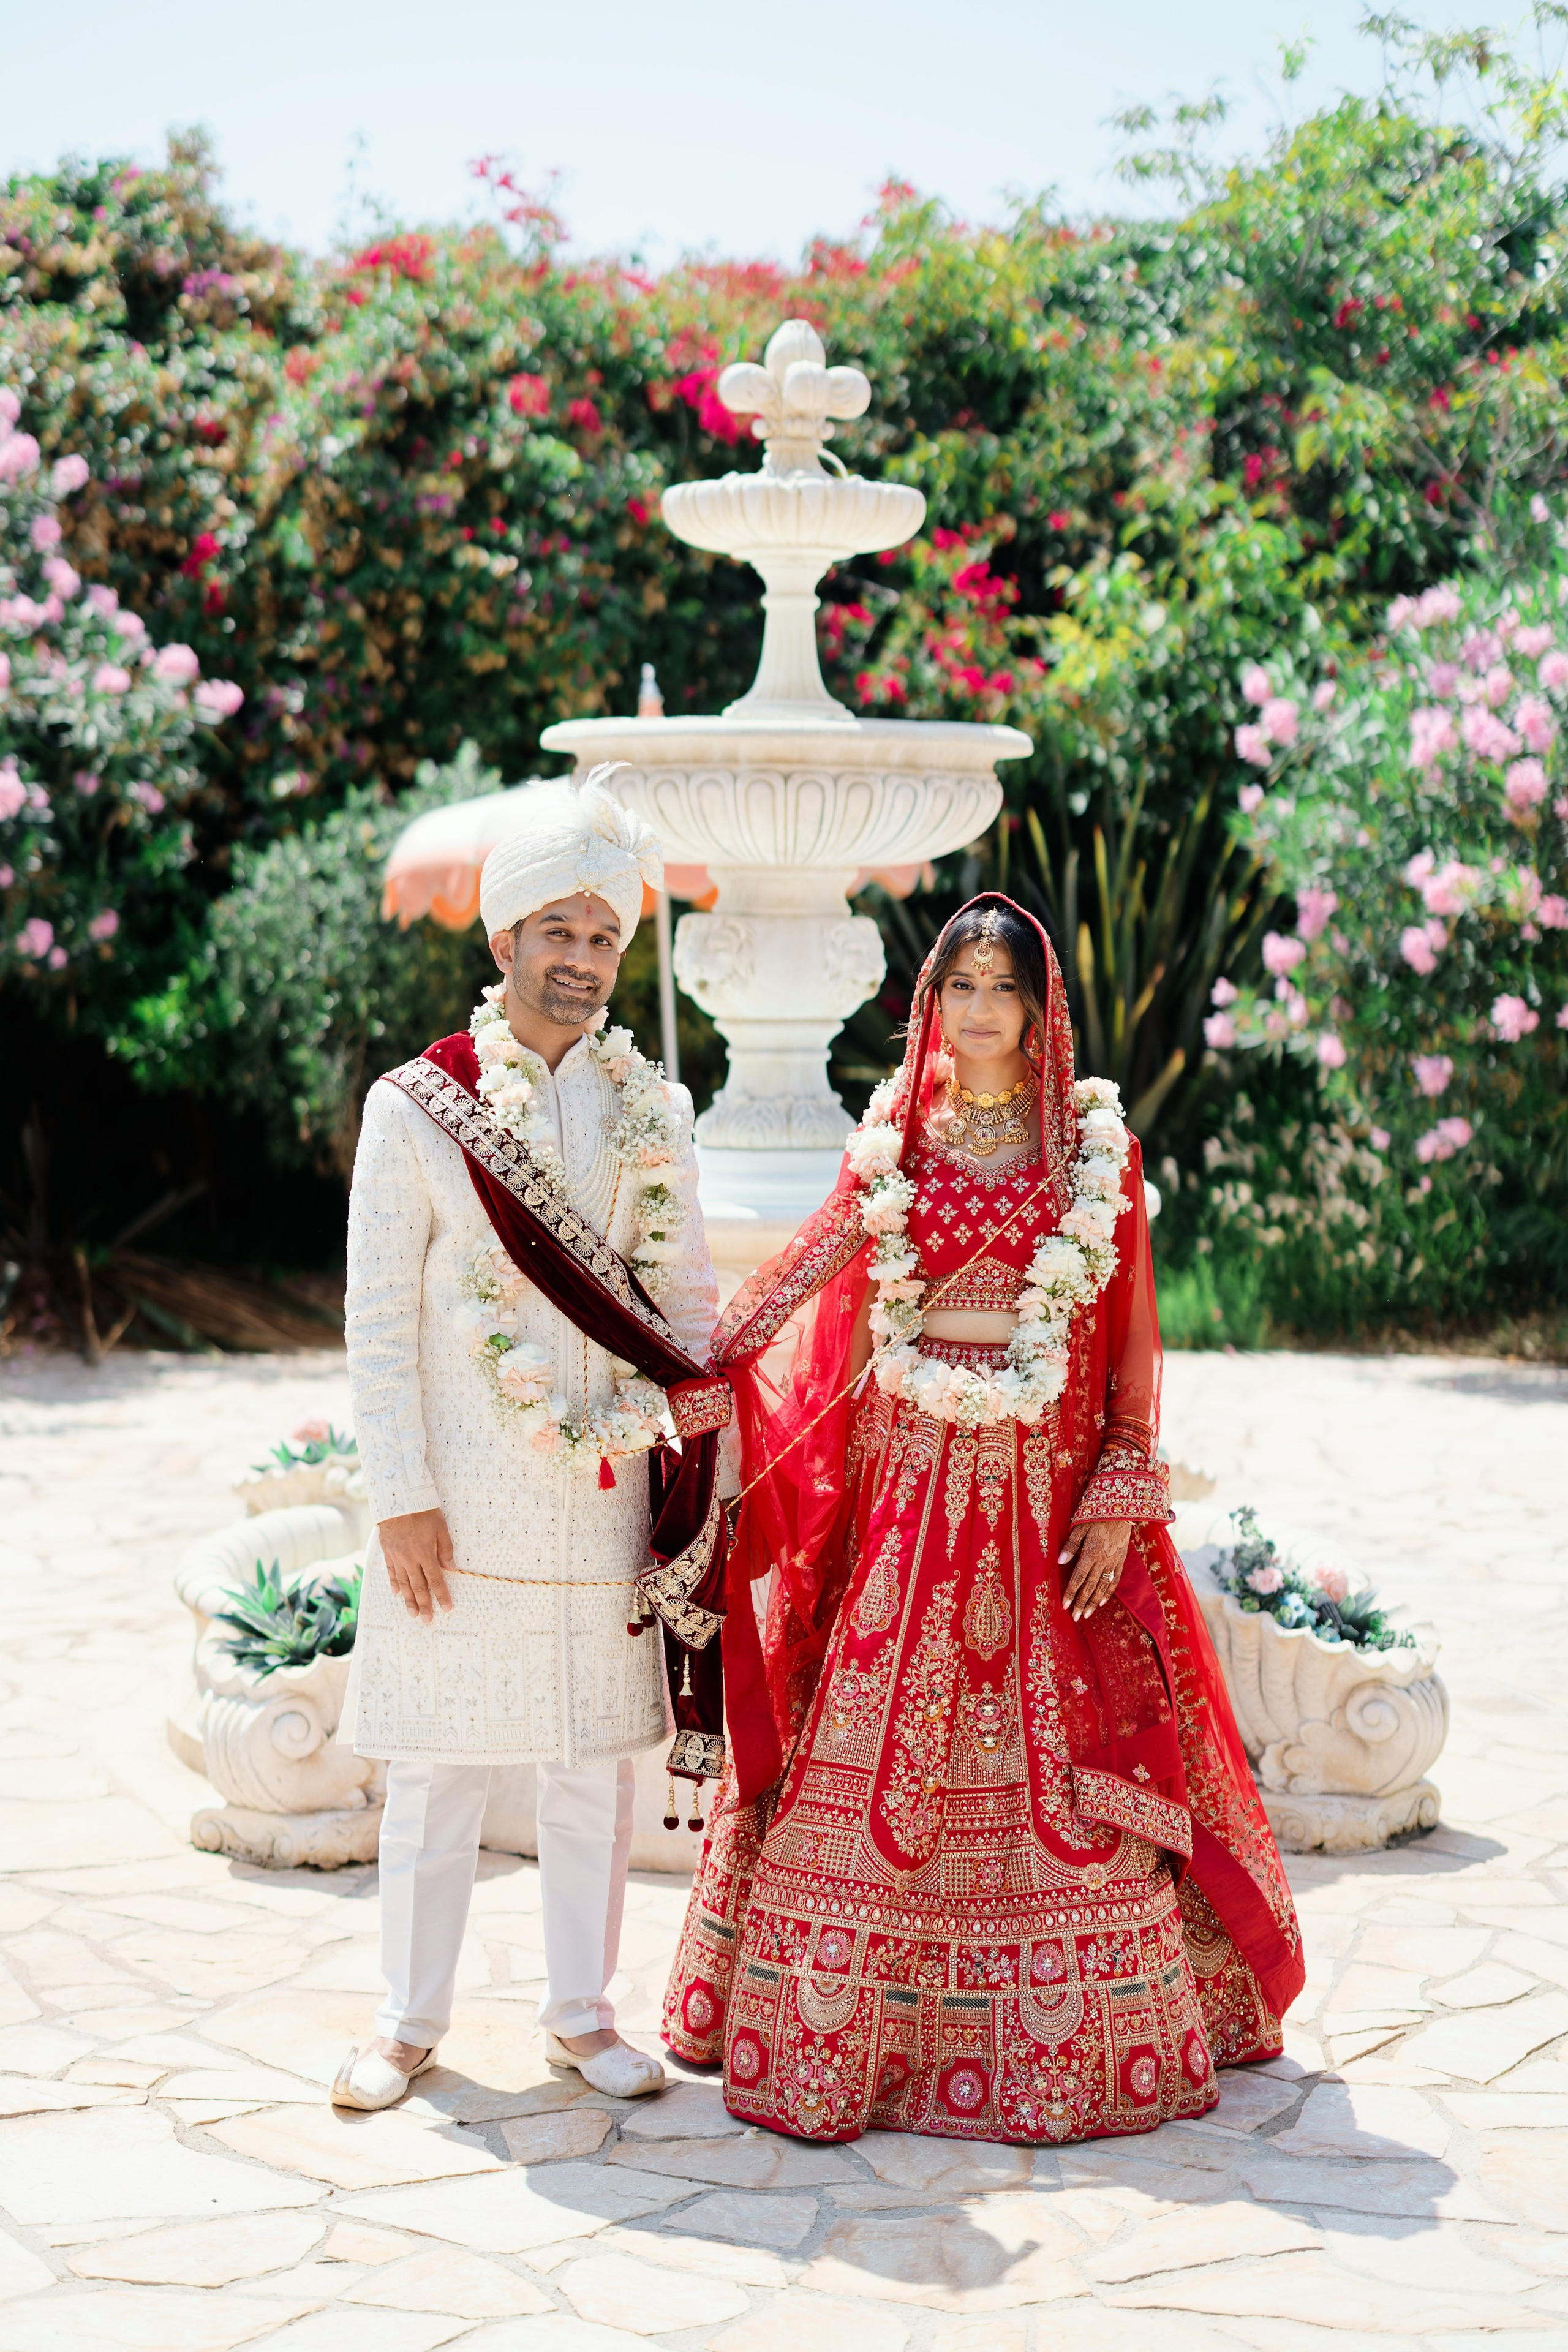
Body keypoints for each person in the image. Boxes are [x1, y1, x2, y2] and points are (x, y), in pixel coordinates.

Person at [663, 892, 1305, 2144]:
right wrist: (695, 1359)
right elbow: (811, 1261)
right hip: (910, 1489)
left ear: (1037, 1004)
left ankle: (1083, 2022)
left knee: (1069, 1765)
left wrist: (1119, 1492)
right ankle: (838, 2033)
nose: (979, 1011)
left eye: (1002, 989)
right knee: (864, 1732)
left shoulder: (1090, 1151)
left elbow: (1125, 1343)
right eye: (959, 988)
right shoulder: (897, 1137)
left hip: (1042, 1489)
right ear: (931, 1005)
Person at [334, 767, 725, 2111]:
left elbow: (681, 1305)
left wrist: (699, 1449)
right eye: (554, 932)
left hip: (602, 1492)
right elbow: (377, 1321)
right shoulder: (415, 1106)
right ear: (501, 942)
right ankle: (404, 2022)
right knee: (439, 1763)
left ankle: (580, 2015)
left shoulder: (651, 1112)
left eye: (603, 936)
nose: (579, 959)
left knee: (586, 1768)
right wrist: (399, 1495)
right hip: (459, 1496)